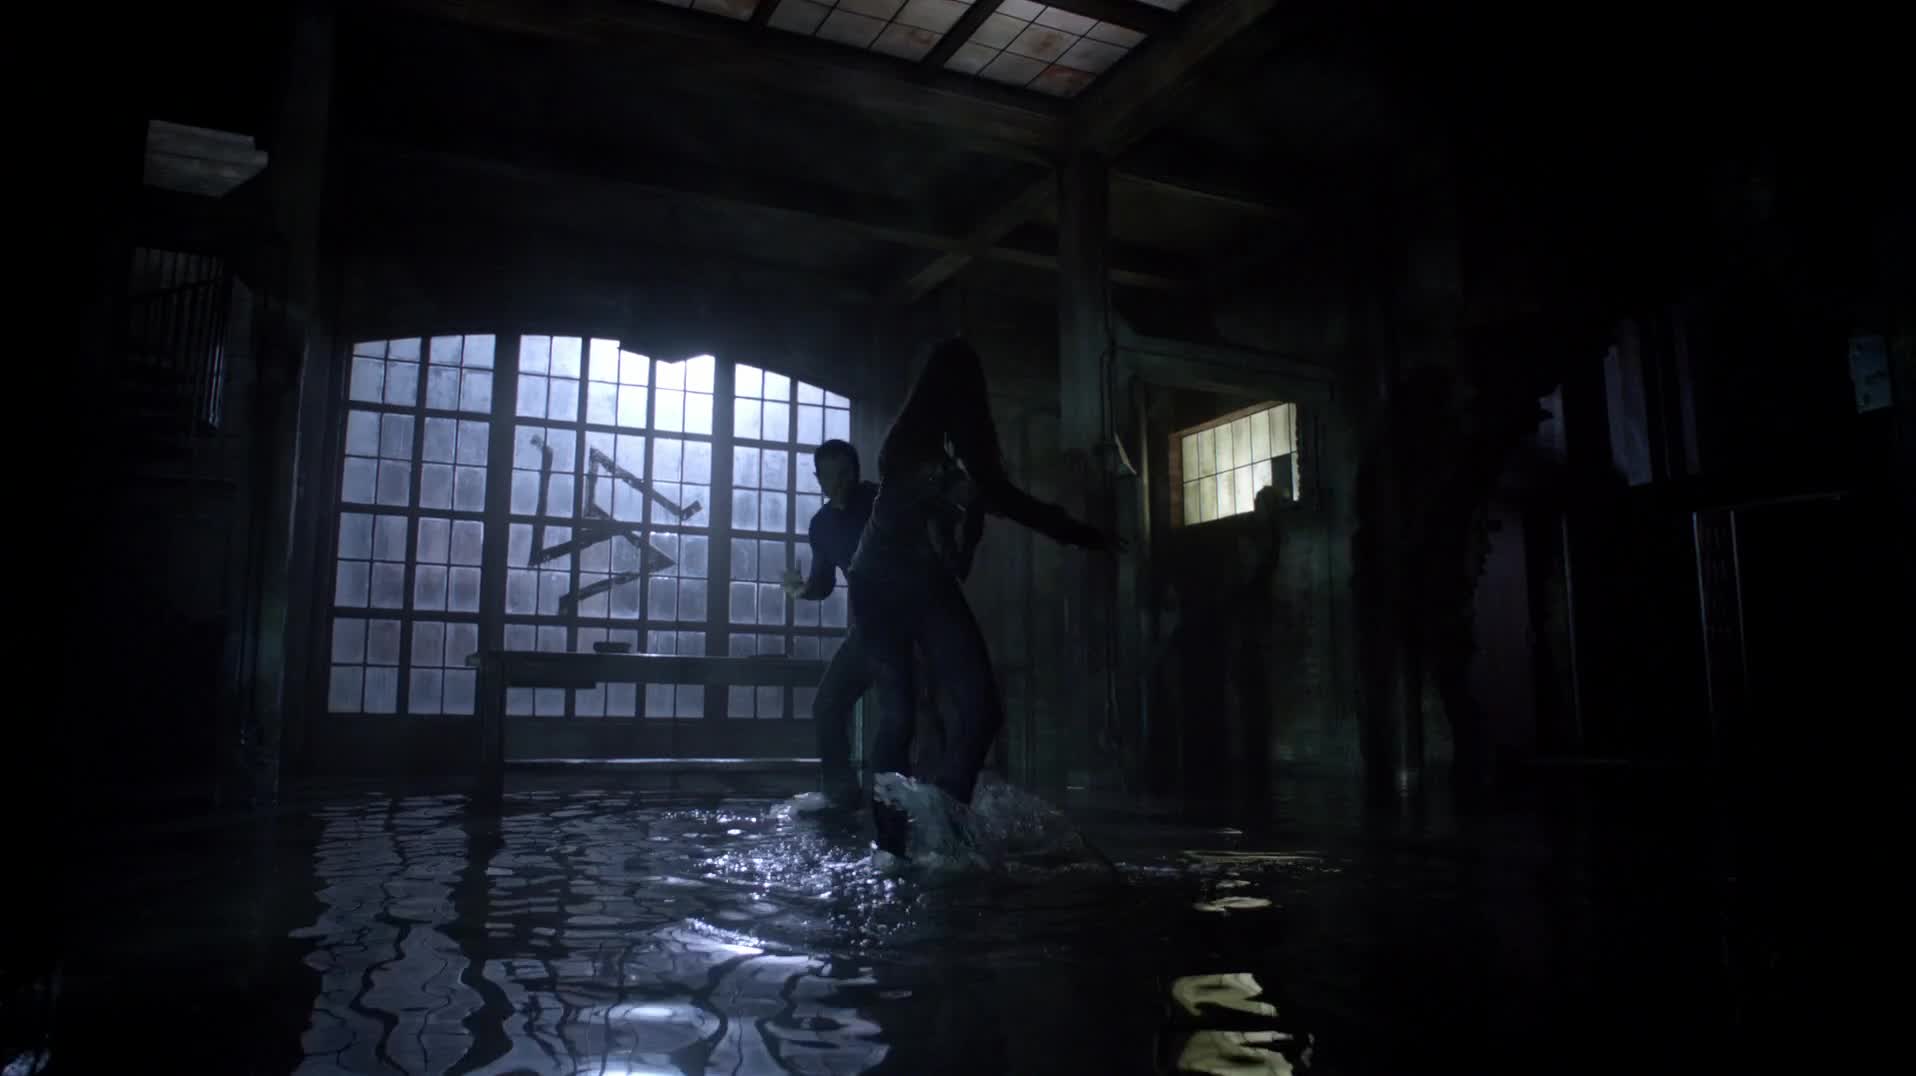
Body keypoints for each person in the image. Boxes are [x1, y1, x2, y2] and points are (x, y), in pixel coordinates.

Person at [849, 337, 1121, 856]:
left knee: (973, 711)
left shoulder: (963, 457)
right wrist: (962, 492)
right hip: (884, 582)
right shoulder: (908, 445)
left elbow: (1006, 502)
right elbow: (958, 493)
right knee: (906, 713)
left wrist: (1078, 533)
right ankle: (896, 846)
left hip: (915, 582)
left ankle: (936, 827)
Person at [781, 439, 879, 811]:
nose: (838, 483)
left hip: (912, 619)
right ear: (818, 478)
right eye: (829, 476)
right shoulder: (821, 525)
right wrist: (800, 590)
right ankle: (841, 794)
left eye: (845, 474)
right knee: (827, 706)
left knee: (910, 711)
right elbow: (823, 584)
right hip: (868, 628)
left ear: (857, 473)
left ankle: (917, 800)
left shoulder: (880, 501)